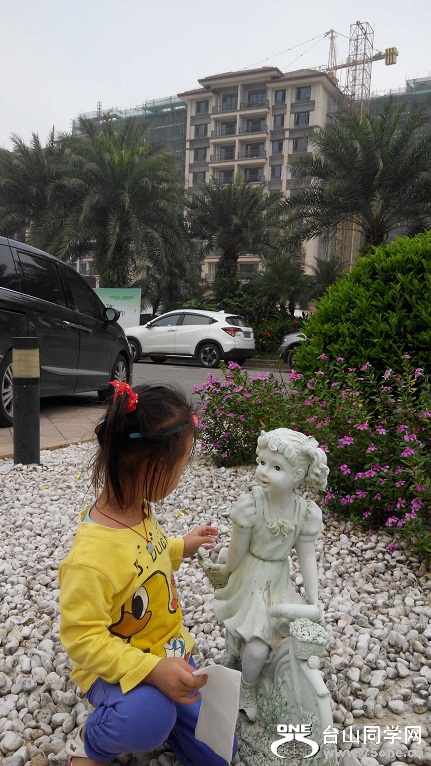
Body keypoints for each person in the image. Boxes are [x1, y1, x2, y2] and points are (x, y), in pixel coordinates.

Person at [58, 381, 237, 766]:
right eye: (181, 465)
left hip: (167, 652)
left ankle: (161, 710)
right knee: (148, 717)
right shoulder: (91, 558)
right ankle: (90, 743)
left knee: (219, 753)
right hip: (116, 668)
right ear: (151, 467)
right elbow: (81, 638)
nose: (181, 475)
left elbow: (145, 555)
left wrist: (180, 547)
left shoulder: (138, 507)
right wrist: (152, 670)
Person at [212, 428, 328, 722]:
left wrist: (313, 598)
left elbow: (306, 556)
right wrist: (226, 571)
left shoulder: (305, 512)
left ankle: (261, 673)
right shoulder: (251, 506)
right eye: (261, 462)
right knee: (257, 643)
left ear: (298, 475)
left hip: (277, 579)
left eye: (276, 468)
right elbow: (237, 550)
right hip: (251, 577)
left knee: (280, 630)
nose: (263, 471)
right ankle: (247, 687)